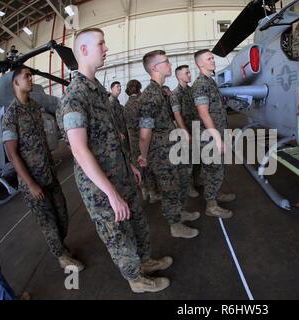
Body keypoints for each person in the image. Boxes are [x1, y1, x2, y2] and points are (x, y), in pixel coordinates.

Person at [57, 28, 171, 293]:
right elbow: (79, 150)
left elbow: (110, 136)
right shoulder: (74, 97)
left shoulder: (97, 91)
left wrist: (129, 164)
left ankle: (145, 262)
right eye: (101, 44)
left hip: (120, 173)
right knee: (118, 234)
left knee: (138, 223)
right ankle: (136, 279)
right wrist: (111, 194)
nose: (106, 48)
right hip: (101, 188)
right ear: (84, 50)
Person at [2, 66, 83, 272]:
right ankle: (62, 257)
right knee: (48, 221)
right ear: (16, 83)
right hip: (33, 181)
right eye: (26, 76)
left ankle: (61, 246)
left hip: (49, 174)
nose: (31, 79)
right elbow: (11, 154)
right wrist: (30, 184)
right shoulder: (11, 114)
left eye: (31, 75)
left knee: (62, 214)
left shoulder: (34, 107)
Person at [138, 50, 200, 239]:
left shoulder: (160, 92)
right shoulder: (150, 95)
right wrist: (144, 155)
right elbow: (145, 132)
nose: (169, 64)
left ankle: (180, 212)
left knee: (181, 182)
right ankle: (175, 224)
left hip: (171, 148)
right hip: (161, 153)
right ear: (155, 67)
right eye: (166, 61)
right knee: (170, 189)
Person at [191, 49, 236, 218]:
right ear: (200, 64)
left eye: (212, 58)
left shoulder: (210, 82)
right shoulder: (201, 84)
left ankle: (216, 194)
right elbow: (204, 113)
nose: (213, 60)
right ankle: (211, 205)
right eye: (209, 59)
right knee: (213, 170)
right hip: (210, 137)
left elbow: (217, 111)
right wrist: (218, 139)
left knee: (219, 168)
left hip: (217, 133)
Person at [123, 79, 162, 203]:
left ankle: (144, 191)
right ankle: (153, 193)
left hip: (133, 142)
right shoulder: (141, 102)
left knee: (139, 167)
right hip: (144, 140)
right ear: (139, 88)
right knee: (148, 165)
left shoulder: (126, 106)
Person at [170, 65, 200, 198]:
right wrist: (185, 132)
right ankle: (188, 187)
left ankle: (197, 180)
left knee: (198, 157)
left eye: (189, 72)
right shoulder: (175, 94)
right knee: (187, 162)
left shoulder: (192, 90)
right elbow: (177, 115)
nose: (189, 75)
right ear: (179, 76)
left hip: (196, 128)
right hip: (185, 131)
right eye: (186, 73)